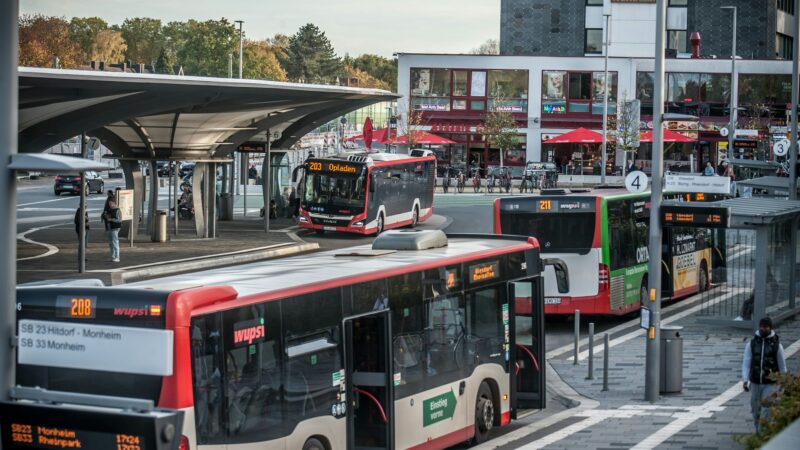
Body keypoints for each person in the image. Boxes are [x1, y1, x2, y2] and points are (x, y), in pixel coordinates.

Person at [742, 317, 788, 433]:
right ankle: (758, 432)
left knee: (767, 409)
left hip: (770, 384)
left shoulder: (777, 346)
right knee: (755, 410)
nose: (763, 329)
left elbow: (782, 366)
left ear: (770, 328)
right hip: (755, 382)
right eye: (761, 326)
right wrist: (745, 380)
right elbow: (746, 363)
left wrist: (784, 383)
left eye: (766, 327)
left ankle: (762, 435)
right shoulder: (751, 344)